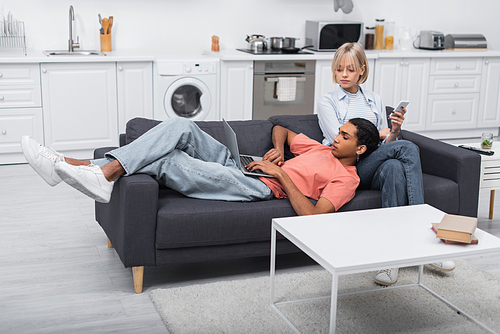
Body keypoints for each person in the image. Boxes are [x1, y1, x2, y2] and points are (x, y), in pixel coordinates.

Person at [21, 117, 379, 217]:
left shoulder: (345, 177)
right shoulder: (322, 147)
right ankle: (89, 171)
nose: (335, 137)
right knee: (181, 126)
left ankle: (75, 167)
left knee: (168, 159)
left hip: (260, 187)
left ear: (359, 148)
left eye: (344, 137)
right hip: (243, 165)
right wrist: (280, 151)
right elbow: (279, 127)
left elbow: (315, 216)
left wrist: (281, 174)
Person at [317, 42, 455, 285]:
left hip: (375, 163)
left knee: (393, 167)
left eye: (350, 69)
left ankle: (391, 257)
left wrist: (392, 131)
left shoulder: (373, 100)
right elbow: (344, 143)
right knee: (408, 147)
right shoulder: (328, 102)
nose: (344, 75)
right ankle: (423, 235)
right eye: (339, 69)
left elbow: (386, 145)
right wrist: (378, 136)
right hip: (349, 166)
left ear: (362, 69)